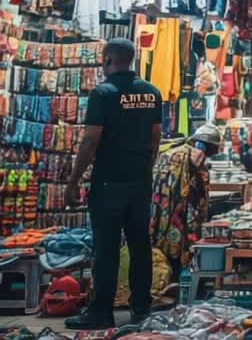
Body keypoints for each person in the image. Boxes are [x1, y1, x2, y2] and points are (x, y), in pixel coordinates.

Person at [64, 39, 162, 330]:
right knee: (139, 245)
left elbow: (91, 140)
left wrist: (73, 181)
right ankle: (142, 309)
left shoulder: (103, 93)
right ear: (131, 60)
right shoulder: (151, 93)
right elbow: (156, 138)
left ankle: (101, 311)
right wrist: (146, 169)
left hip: (108, 182)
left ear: (107, 60)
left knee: (106, 248)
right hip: (139, 182)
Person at [151, 124, 220, 273]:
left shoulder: (167, 154)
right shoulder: (196, 158)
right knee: (176, 252)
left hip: (158, 210)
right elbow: (199, 201)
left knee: (159, 249)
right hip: (179, 214)